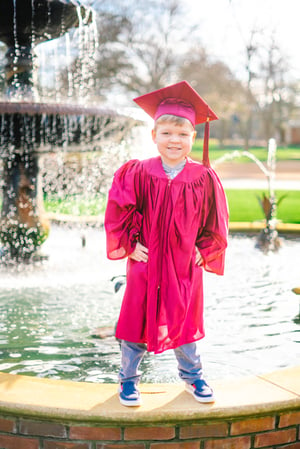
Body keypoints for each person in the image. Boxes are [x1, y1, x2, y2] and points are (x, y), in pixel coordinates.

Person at [104, 80, 228, 407]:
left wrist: (205, 247)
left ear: (193, 138)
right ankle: (128, 381)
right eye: (167, 133)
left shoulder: (203, 177)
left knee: (184, 319)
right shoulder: (138, 172)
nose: (175, 140)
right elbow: (119, 209)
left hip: (185, 263)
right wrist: (130, 244)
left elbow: (214, 219)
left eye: (182, 134)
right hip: (146, 262)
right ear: (154, 136)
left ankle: (193, 377)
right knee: (135, 321)